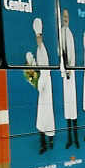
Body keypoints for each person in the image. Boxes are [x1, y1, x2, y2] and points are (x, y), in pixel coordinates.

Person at [32, 18, 55, 154]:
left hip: (45, 88)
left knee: (48, 116)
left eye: (39, 37)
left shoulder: (43, 51)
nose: (38, 39)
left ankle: (50, 140)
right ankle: (43, 143)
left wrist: (39, 84)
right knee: (41, 118)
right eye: (36, 37)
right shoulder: (38, 50)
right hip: (42, 91)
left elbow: (45, 71)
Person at [59, 8, 78, 149]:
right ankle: (69, 139)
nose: (65, 18)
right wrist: (63, 71)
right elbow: (60, 53)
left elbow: (72, 55)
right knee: (67, 109)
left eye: (67, 16)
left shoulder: (70, 34)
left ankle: (75, 138)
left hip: (70, 76)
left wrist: (70, 70)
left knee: (73, 109)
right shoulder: (60, 33)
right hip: (65, 76)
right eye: (63, 16)